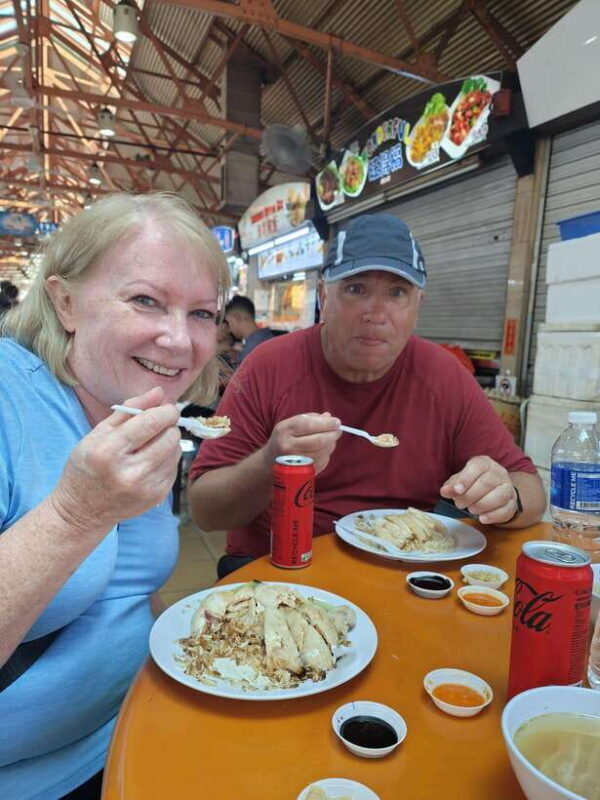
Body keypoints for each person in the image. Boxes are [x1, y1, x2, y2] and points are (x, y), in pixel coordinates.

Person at [0, 192, 230, 799]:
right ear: (65, 301)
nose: (180, 342)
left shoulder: (135, 409)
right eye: (145, 300)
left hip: (139, 738)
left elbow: (133, 589)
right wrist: (77, 512)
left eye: (203, 313)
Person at [189, 213, 545, 577]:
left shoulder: (444, 377)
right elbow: (205, 510)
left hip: (399, 572)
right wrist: (270, 463)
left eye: (397, 292)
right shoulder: (269, 366)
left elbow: (528, 488)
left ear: (417, 306)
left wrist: (506, 499)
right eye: (356, 289)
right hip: (276, 567)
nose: (376, 313)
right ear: (325, 296)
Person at [223, 294, 276, 362]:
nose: (229, 330)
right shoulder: (269, 339)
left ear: (237, 317)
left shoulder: (250, 351)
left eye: (229, 323)